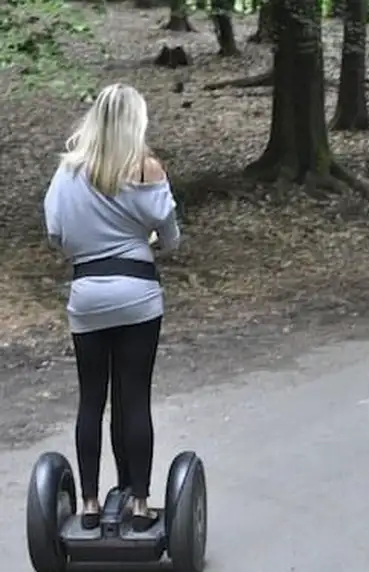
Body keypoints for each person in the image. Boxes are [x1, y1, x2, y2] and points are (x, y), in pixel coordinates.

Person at [43, 83, 181, 532]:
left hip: (87, 296)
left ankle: (87, 503)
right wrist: (150, 240)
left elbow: (57, 235)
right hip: (138, 295)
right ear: (135, 123)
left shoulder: (66, 174)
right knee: (133, 397)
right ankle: (140, 504)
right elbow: (171, 237)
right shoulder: (147, 169)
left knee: (91, 399)